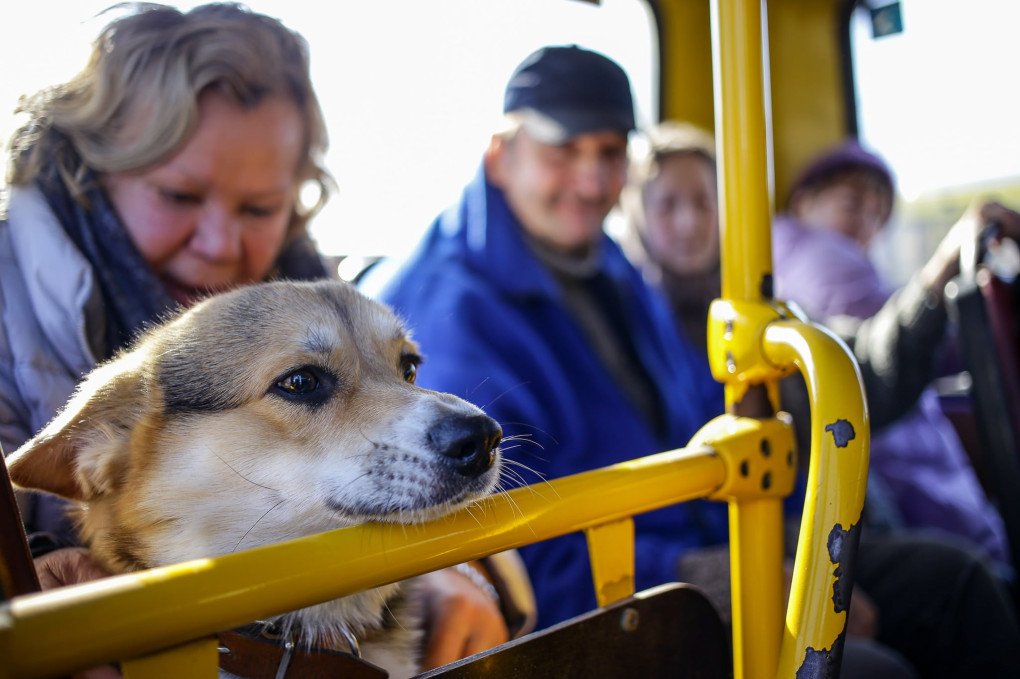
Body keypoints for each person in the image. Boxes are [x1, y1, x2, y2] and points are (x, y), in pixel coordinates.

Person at [0, 3, 524, 669]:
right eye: (180, 196)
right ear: (95, 172)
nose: (222, 245)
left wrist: (453, 563)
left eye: (259, 207)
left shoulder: (321, 297)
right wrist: (37, 577)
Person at [623, 121, 1020, 678]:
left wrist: (934, 284)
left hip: (795, 531)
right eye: (668, 205)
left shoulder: (761, 315)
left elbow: (864, 368)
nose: (688, 222)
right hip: (720, 559)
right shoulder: (631, 334)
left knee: (959, 581)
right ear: (638, 215)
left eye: (703, 202)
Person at [360, 45, 731, 633]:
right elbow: (504, 549)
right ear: (499, 157)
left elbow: (691, 406)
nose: (591, 181)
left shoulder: (608, 262)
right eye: (562, 150)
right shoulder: (448, 311)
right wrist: (699, 577)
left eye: (610, 152)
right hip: (607, 614)